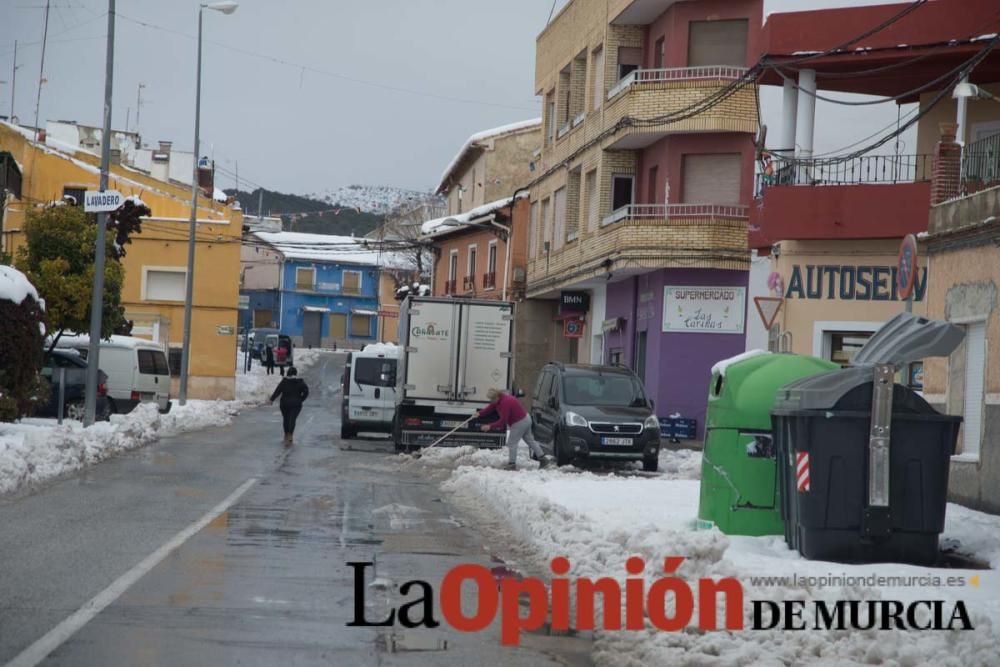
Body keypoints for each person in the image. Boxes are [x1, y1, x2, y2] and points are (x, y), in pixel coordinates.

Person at [478, 387, 549, 470]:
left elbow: (503, 422)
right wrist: (479, 413)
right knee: (530, 440)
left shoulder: (505, 402)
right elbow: (490, 408)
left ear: (497, 396)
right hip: (526, 418)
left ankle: (512, 464)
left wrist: (490, 426)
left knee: (512, 443)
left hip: (519, 422)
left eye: (492, 399)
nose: (491, 401)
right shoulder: (498, 400)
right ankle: (543, 459)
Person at [269, 367, 309, 446]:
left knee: (286, 419)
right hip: (296, 404)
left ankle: (286, 434)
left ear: (288, 373)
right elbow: (306, 391)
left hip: (285, 403)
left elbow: (278, 390)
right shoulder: (300, 382)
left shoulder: (284, 381)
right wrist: (301, 399)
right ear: (295, 373)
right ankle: (290, 434)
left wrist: (272, 399)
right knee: (292, 419)